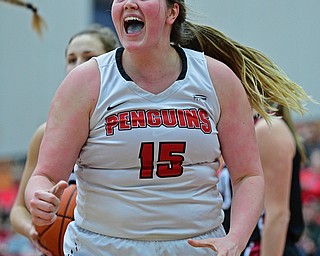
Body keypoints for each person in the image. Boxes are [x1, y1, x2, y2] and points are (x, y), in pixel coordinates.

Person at [25, 1, 311, 255]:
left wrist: (236, 238)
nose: (128, 3)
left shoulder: (217, 79)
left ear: (172, 11)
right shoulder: (84, 83)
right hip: (102, 245)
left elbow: (248, 175)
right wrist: (38, 197)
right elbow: (45, 175)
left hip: (194, 245)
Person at [9, 24, 119, 255]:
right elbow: (18, 209)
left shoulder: (123, 130)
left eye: (89, 57)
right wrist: (34, 229)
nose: (78, 66)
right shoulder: (45, 134)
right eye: (71, 59)